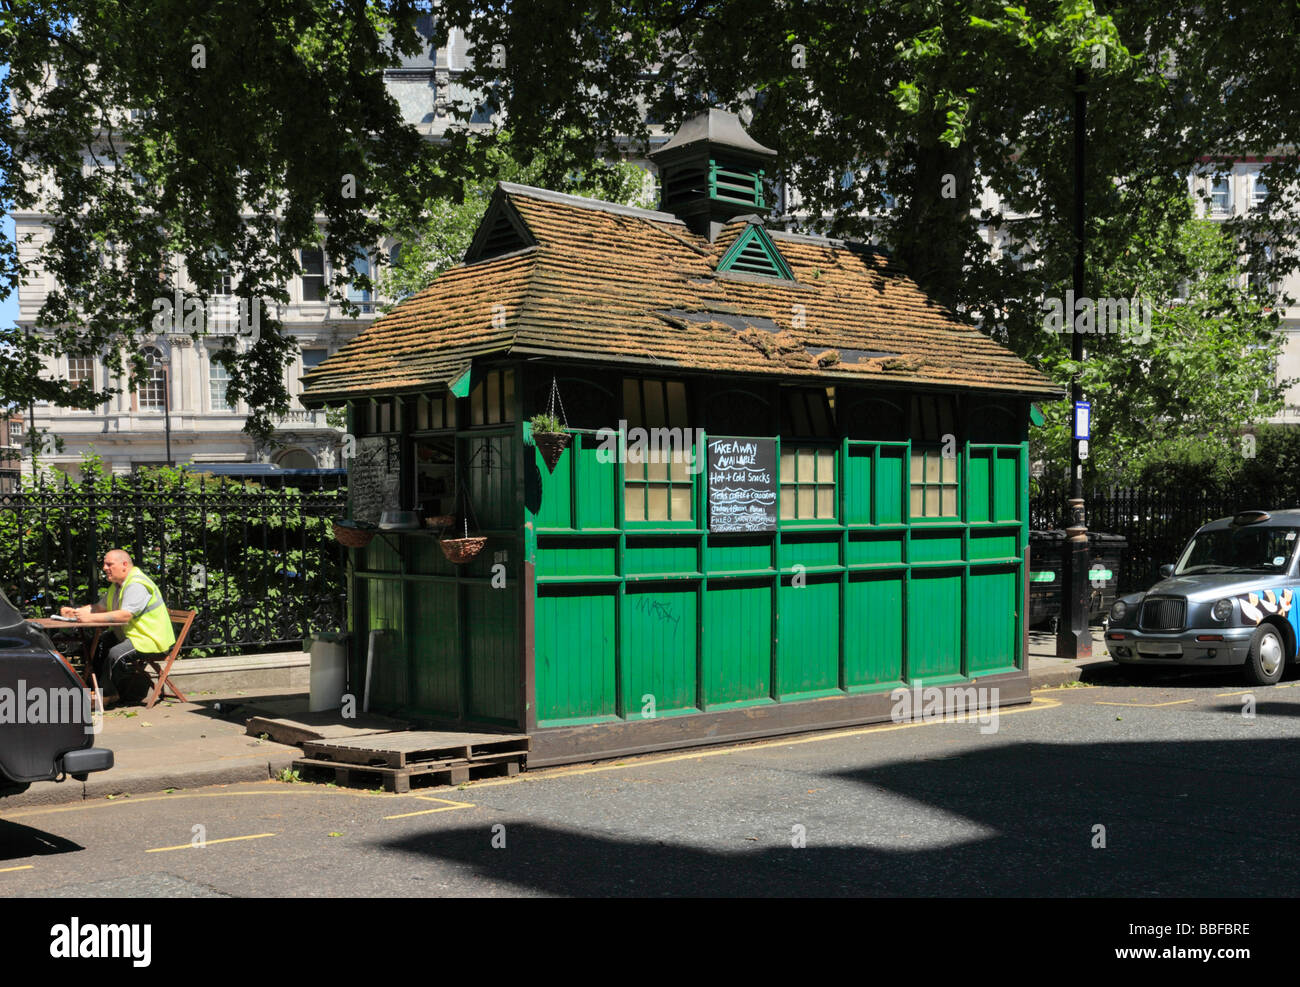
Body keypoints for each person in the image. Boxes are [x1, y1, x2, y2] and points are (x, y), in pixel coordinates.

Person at [62, 550, 176, 704]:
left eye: (109, 564)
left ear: (124, 565)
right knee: (97, 645)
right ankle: (96, 689)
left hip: (150, 639)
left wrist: (90, 618)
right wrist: (75, 612)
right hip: (132, 635)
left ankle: (108, 694)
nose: (104, 568)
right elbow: (99, 608)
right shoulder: (117, 586)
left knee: (115, 653)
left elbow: (125, 615)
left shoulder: (137, 584)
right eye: (104, 564)